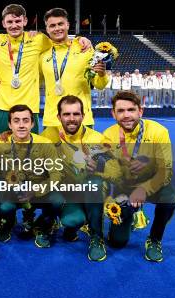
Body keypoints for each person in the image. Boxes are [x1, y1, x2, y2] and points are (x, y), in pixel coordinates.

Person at [41, 95, 121, 261]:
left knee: (95, 184)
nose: (71, 119)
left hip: (89, 193)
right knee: (70, 218)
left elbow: (116, 173)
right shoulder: (49, 135)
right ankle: (49, 224)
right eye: (66, 114)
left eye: (76, 114)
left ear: (83, 116)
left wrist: (99, 168)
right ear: (58, 117)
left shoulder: (98, 139)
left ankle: (96, 237)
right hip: (67, 193)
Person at [0, 4, 91, 134]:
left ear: (25, 21)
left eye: (17, 21)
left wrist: (79, 39)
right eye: (10, 22)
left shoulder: (38, 39)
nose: (14, 25)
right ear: (3, 23)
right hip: (2, 106)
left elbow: (60, 40)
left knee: (32, 151)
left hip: (29, 107)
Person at [102, 91, 175, 262]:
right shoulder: (108, 135)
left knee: (170, 196)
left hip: (152, 184)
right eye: (120, 111)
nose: (126, 115)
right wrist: (110, 201)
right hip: (124, 186)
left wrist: (144, 189)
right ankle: (133, 212)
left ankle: (154, 239)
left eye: (131, 110)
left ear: (140, 111)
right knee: (117, 242)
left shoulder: (159, 132)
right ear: (113, 113)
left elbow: (165, 170)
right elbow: (106, 173)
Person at [0, 105, 64, 248]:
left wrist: (37, 190)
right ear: (9, 124)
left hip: (39, 191)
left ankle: (45, 225)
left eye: (25, 121)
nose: (21, 125)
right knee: (4, 207)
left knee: (57, 200)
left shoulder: (45, 144)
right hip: (14, 192)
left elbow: (56, 174)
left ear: (32, 124)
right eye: (16, 121)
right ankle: (8, 222)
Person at [39, 8, 107, 132]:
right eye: (52, 25)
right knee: (49, 153)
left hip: (81, 119)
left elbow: (100, 85)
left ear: (67, 25)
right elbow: (34, 81)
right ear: (47, 29)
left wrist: (102, 74)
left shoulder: (84, 49)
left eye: (60, 24)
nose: (57, 28)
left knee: (82, 153)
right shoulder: (43, 55)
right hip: (52, 121)